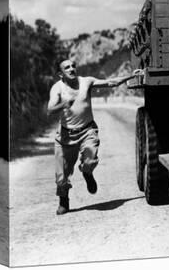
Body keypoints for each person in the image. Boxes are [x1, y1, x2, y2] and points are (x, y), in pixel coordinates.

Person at [47, 59, 137, 215]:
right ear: (60, 74)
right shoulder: (57, 88)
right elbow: (50, 109)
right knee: (61, 176)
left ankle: (87, 172)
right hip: (65, 135)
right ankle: (64, 201)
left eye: (73, 65)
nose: (72, 69)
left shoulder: (86, 82)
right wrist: (63, 104)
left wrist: (130, 76)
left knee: (90, 159)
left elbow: (111, 83)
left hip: (87, 130)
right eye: (67, 67)